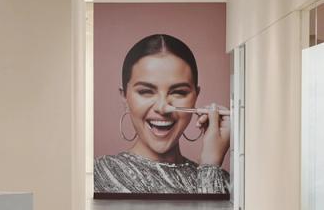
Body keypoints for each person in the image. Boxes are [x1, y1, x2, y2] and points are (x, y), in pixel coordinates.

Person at [94, 34, 230, 195]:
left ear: (196, 96)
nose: (163, 108)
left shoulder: (224, 181)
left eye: (179, 92)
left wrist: (209, 166)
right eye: (146, 92)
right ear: (125, 98)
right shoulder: (99, 175)